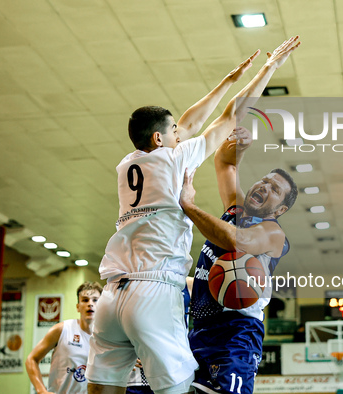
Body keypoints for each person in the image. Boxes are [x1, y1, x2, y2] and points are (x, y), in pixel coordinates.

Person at [86, 36, 301, 394]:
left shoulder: (128, 164)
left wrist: (226, 82)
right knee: (180, 388)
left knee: (102, 388)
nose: (180, 133)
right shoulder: (174, 159)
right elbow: (230, 116)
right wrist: (270, 67)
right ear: (159, 138)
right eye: (173, 132)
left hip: (113, 292)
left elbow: (186, 123)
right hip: (152, 291)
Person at [178, 126, 298, 394]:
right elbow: (223, 162)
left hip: (236, 333)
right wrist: (238, 146)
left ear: (280, 209)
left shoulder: (273, 234)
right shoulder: (237, 208)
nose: (265, 187)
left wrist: (189, 207)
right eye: (265, 181)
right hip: (200, 329)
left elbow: (237, 241)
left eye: (275, 189)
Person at [26, 281, 102, 394]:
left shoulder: (107, 338)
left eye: (95, 300)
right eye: (85, 300)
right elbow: (31, 359)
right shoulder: (62, 329)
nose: (90, 304)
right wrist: (41, 391)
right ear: (78, 307)